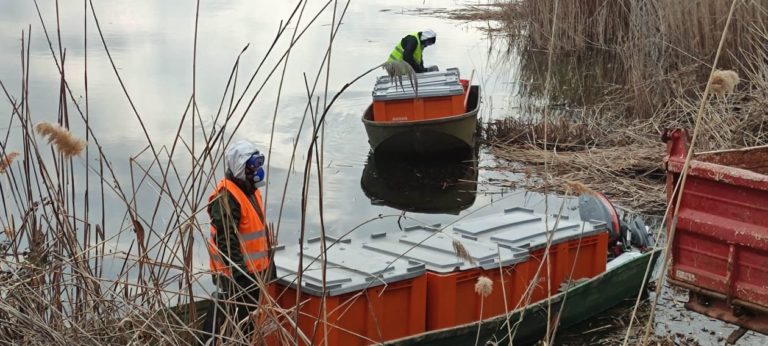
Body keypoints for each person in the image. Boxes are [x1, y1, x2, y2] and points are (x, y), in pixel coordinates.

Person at [200, 140, 272, 344]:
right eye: (253, 166)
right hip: (234, 275)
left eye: (258, 165)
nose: (257, 170)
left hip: (254, 271)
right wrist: (239, 276)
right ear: (241, 168)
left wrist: (269, 264)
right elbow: (227, 243)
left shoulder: (250, 190)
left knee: (246, 323)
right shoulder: (226, 197)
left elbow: (256, 231)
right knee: (232, 323)